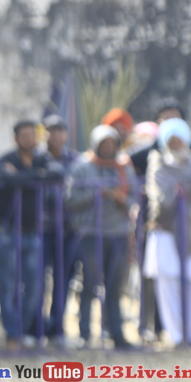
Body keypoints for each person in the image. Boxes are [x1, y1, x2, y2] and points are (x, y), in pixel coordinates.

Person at [0, 120, 65, 350]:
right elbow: (8, 179)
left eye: (31, 135)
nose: (28, 139)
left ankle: (22, 330)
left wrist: (24, 177)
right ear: (16, 138)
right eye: (23, 135)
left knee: (34, 287)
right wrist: (36, 176)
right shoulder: (6, 159)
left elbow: (57, 174)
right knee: (7, 285)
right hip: (6, 231)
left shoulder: (43, 158)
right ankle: (12, 334)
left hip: (33, 232)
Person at [65, 125, 138, 350]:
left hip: (118, 233)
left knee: (115, 288)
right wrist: (95, 194)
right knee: (89, 285)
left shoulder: (124, 168)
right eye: (104, 143)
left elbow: (134, 198)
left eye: (111, 143)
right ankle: (85, 334)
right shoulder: (81, 167)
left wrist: (119, 198)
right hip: (90, 233)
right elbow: (70, 199)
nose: (108, 147)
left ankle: (117, 334)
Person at [130, 105, 184, 342]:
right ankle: (150, 326)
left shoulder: (189, 155)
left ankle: (180, 329)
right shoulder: (148, 155)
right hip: (156, 225)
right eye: (165, 121)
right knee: (154, 278)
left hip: (187, 228)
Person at [143, 118, 191, 345]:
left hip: (190, 230)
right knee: (167, 283)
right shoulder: (158, 163)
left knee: (190, 282)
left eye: (178, 139)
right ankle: (176, 335)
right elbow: (161, 198)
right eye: (170, 140)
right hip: (164, 228)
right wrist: (180, 194)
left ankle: (190, 333)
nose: (175, 144)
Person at [39, 116, 81, 344]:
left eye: (59, 131)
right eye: (50, 131)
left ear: (65, 135)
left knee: (63, 280)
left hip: (68, 229)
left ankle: (56, 328)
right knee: (37, 280)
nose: (55, 135)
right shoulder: (37, 158)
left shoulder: (76, 160)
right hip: (41, 228)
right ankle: (36, 327)